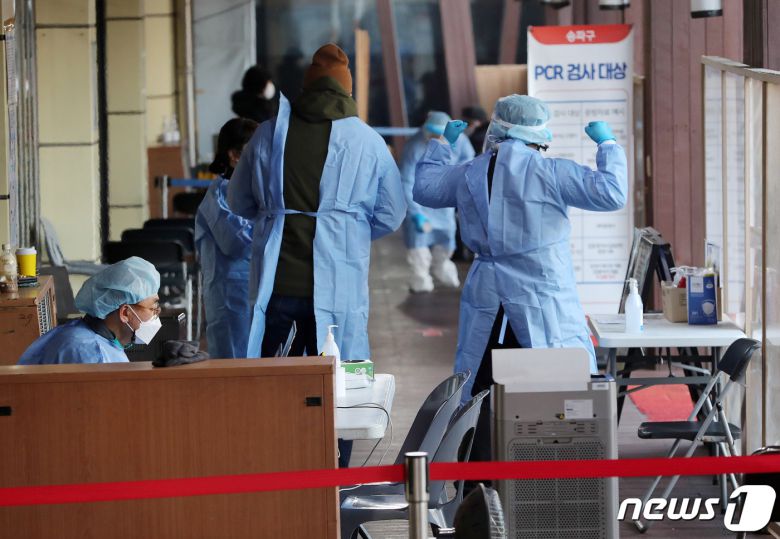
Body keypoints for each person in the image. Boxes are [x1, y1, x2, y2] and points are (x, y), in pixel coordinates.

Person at [414, 94, 627, 464]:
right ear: (539, 134)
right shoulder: (553, 172)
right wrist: (607, 144)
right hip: (542, 296)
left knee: (482, 387)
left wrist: (443, 144)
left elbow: (425, 189)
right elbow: (612, 193)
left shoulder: (470, 173)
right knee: (553, 386)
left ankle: (479, 482)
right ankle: (545, 475)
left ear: (497, 128)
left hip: (489, 296)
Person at [227, 43, 405, 361]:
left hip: (279, 282)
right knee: (335, 374)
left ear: (306, 86)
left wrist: (274, 216)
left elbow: (238, 201)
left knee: (277, 374)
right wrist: (348, 228)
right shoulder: (369, 141)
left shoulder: (267, 134)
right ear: (348, 90)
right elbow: (392, 214)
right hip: (340, 280)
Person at [18, 257, 161, 364]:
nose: (156, 315)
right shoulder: (92, 355)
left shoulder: (88, 336)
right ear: (125, 313)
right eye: (153, 308)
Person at [195, 118, 258, 359]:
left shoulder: (253, 192)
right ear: (234, 155)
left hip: (253, 293)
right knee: (234, 363)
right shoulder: (220, 195)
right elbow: (237, 243)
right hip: (231, 297)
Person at [401, 111, 475, 292]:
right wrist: (415, 213)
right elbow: (406, 180)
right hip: (419, 202)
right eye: (432, 135)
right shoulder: (414, 146)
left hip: (444, 201)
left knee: (446, 238)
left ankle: (442, 267)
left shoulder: (461, 142)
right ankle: (420, 278)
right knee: (418, 244)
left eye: (439, 136)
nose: (434, 139)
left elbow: (469, 166)